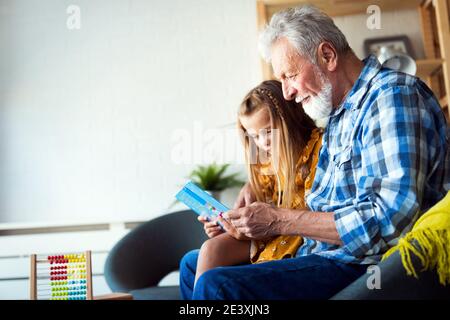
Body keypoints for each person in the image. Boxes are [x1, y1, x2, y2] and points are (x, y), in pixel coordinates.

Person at [180, 5, 449, 300]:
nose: (287, 93)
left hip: (364, 265)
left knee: (218, 286)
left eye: (290, 75)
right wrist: (251, 206)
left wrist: (278, 219)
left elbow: (389, 220)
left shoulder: (392, 98)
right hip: (321, 252)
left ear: (328, 56)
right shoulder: (338, 113)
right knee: (193, 266)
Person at [191, 80, 320, 289]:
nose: (262, 142)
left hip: (297, 235)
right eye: (254, 136)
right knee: (210, 248)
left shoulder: (316, 148)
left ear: (289, 118)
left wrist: (246, 230)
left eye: (268, 131)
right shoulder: (265, 161)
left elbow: (301, 214)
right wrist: (228, 225)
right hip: (266, 233)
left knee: (210, 255)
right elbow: (257, 211)